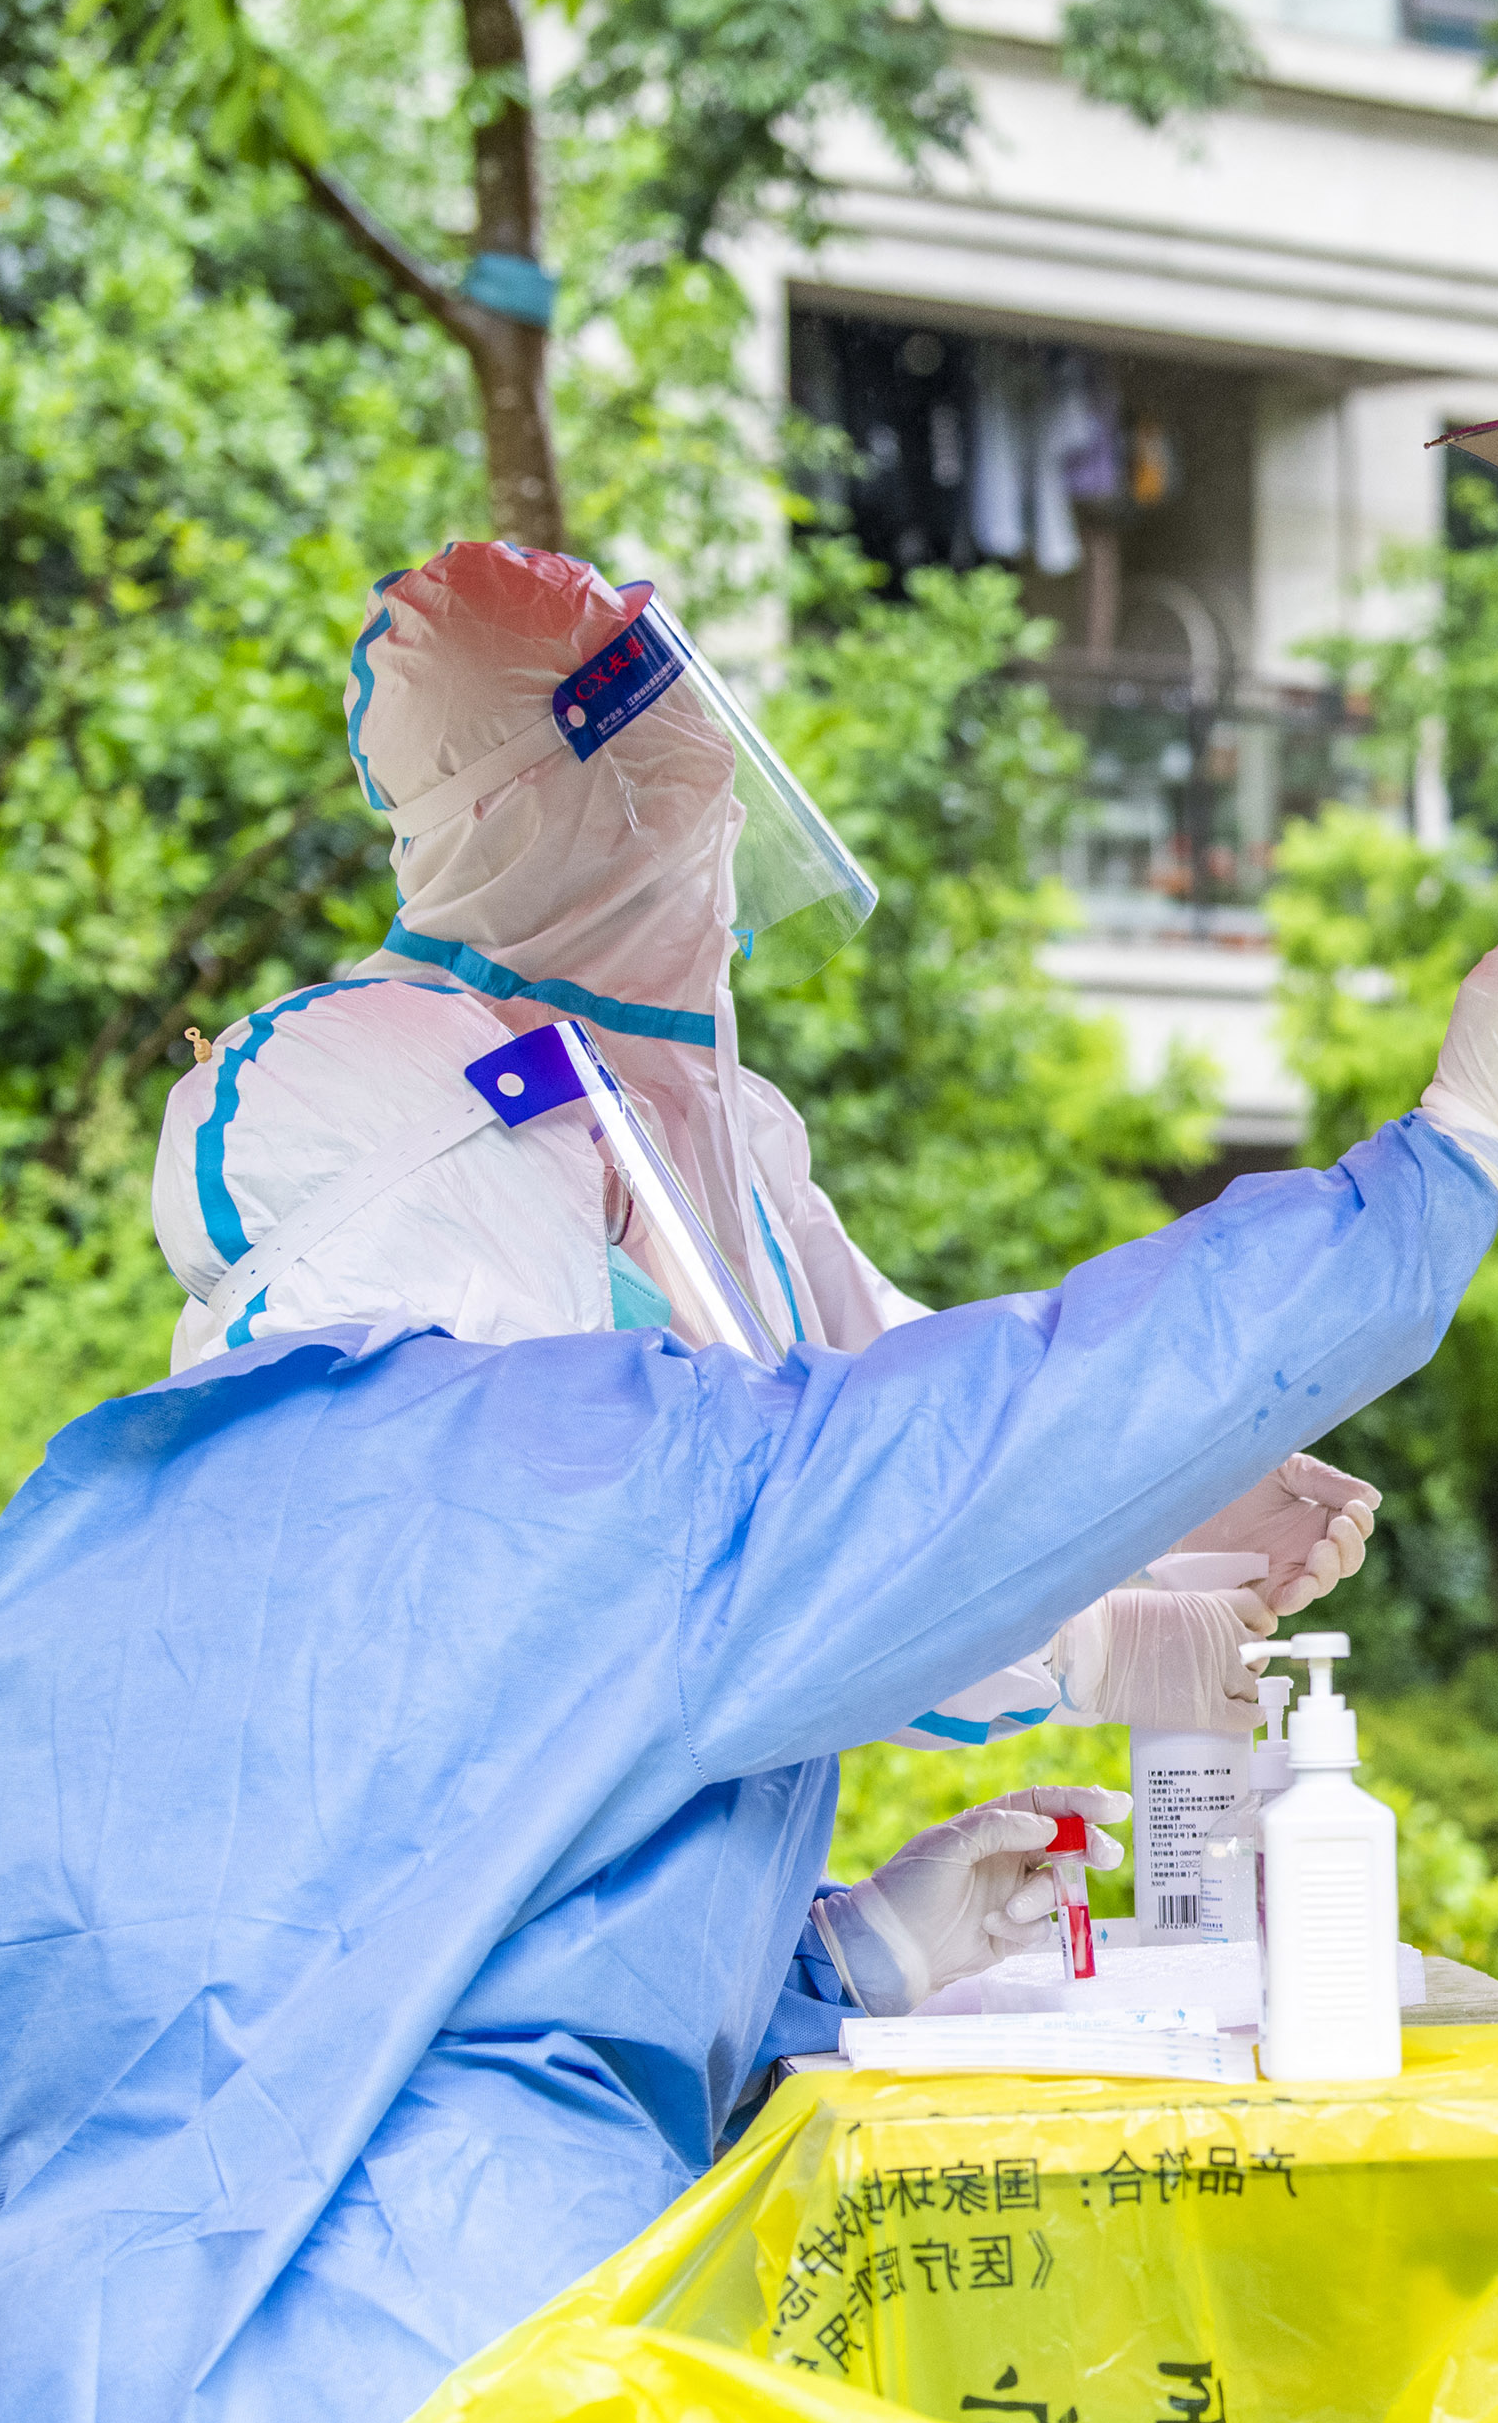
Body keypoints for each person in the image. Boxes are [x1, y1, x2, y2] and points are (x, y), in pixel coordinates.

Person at [0, 918, 1498, 2423]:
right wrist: (1441, 1165)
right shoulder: (582, 1460)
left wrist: (855, 1955)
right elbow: (1015, 1423)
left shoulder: (64, 1542)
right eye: (584, 1177)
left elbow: (241, 2016)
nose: (620, 1226)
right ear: (483, 1178)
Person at [342, 539, 1381, 1649]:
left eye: (708, 770)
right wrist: (1087, 1648)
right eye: (666, 783)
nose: (724, 824)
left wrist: (1162, 1483)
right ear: (531, 822)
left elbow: (886, 1398)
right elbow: (667, 1580)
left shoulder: (718, 1121)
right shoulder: (412, 1119)